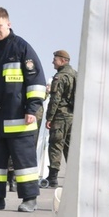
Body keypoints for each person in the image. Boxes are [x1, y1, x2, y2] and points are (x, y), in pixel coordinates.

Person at [0, 7, 46, 212]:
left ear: (8, 24)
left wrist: (32, 109)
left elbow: (36, 82)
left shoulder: (22, 48)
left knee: (24, 162)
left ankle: (29, 198)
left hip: (19, 118)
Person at [44, 49, 77, 187]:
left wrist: (49, 117)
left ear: (63, 61)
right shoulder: (76, 75)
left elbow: (55, 99)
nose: (53, 62)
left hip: (60, 116)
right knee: (70, 147)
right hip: (73, 116)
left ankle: (53, 178)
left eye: (55, 59)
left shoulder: (60, 77)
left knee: (56, 145)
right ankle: (74, 177)